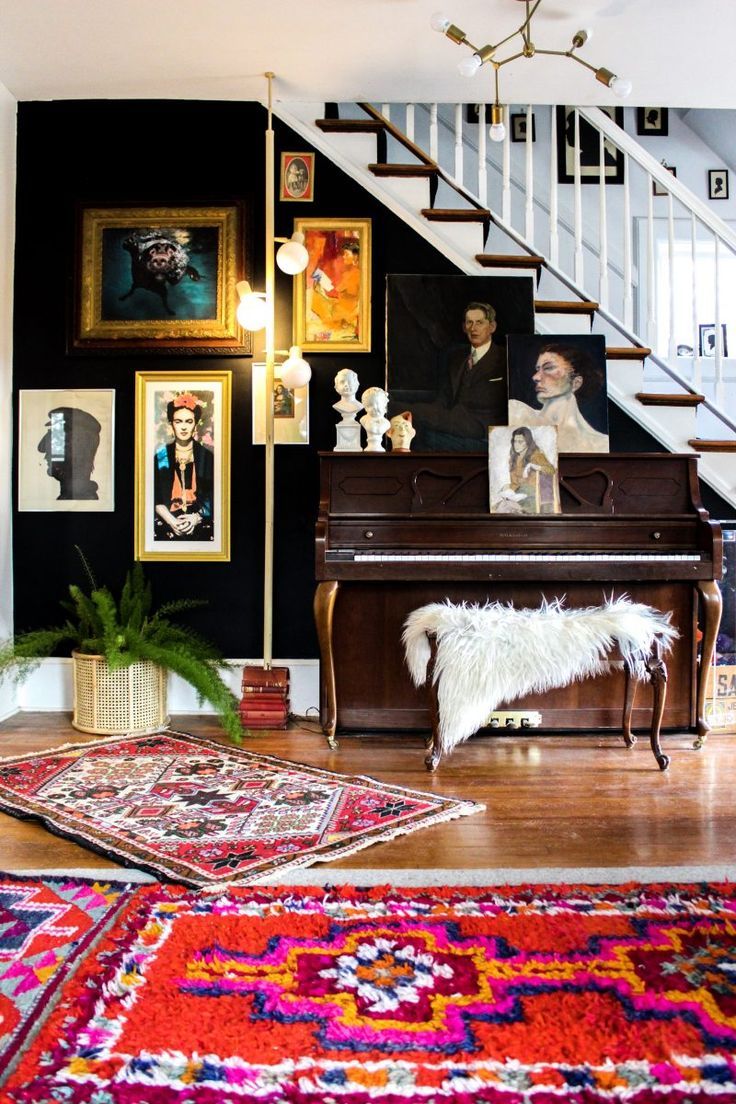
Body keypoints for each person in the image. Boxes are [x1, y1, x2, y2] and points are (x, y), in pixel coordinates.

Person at [408, 301, 508, 450]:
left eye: (479, 323)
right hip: (453, 420)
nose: (473, 328)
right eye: (469, 323)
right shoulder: (456, 357)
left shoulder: (505, 357)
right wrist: (432, 415)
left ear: (492, 327)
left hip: (482, 427)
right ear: (464, 327)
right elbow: (444, 397)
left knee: (411, 414)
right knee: (416, 425)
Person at [508, 342, 608, 452]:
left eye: (548, 368)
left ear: (576, 383)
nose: (535, 377)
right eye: (538, 369)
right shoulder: (516, 412)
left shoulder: (599, 443)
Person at [154, 392, 214, 541]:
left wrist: (197, 517)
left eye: (188, 421)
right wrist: (172, 521)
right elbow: (154, 497)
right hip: (167, 524)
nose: (183, 427)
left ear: (195, 424)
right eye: (178, 421)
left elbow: (214, 495)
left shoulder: (207, 457)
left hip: (200, 523)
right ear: (171, 424)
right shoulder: (161, 457)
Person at [37, 406, 101, 500]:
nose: (46, 455)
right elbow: (41, 448)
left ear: (80, 451)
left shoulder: (81, 499)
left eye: (56, 445)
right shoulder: (67, 497)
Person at [493, 426, 556, 514]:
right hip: (518, 493)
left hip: (532, 495)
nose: (516, 444)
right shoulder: (513, 459)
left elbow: (552, 470)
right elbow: (515, 483)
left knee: (505, 509)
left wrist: (534, 466)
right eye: (515, 441)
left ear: (528, 442)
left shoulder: (536, 455)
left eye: (520, 441)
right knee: (497, 507)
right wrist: (508, 489)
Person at [310, 241, 361, 339]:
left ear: (355, 256)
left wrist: (321, 281)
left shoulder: (356, 274)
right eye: (343, 254)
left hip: (343, 312)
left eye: (346, 254)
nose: (343, 257)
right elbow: (336, 291)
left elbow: (336, 292)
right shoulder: (350, 273)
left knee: (316, 296)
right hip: (339, 307)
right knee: (315, 293)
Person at [360, 386, 390, 452]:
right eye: (370, 405)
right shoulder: (363, 420)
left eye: (378, 403)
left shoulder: (386, 423)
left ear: (384, 403)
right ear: (365, 407)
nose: (375, 408)